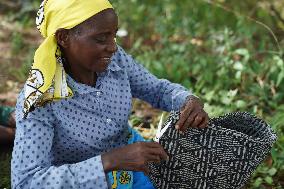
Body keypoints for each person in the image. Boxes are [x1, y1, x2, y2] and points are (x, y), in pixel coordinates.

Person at [11, 0, 209, 188]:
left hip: (132, 153)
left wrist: (187, 100)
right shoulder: (40, 100)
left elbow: (156, 89)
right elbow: (26, 181)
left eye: (114, 35)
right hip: (85, 179)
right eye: (100, 39)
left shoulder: (114, 60)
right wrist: (109, 161)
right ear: (64, 37)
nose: (113, 46)